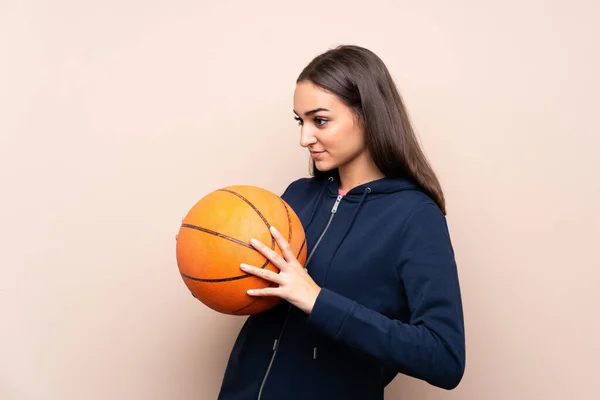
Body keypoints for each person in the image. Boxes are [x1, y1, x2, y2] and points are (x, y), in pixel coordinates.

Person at [217, 44, 466, 400]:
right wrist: (210, 247)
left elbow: (445, 357)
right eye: (299, 121)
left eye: (319, 120)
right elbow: (253, 285)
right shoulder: (297, 196)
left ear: (368, 114)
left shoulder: (415, 216)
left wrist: (317, 301)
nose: (304, 138)